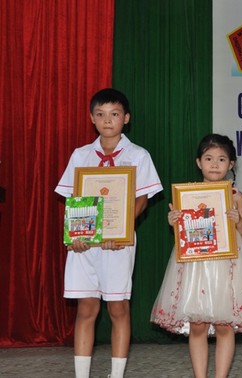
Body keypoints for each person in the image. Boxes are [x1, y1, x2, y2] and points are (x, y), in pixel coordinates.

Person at [54, 88, 163, 378]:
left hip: (119, 243)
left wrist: (123, 228)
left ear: (125, 118)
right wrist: (75, 235)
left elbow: (142, 199)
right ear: (92, 118)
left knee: (118, 308)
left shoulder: (138, 155)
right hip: (85, 245)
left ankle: (116, 375)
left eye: (114, 114)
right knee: (86, 308)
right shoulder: (81, 155)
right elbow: (72, 198)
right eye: (100, 115)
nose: (107, 120)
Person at [151, 133, 242, 378]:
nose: (214, 164)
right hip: (196, 266)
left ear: (231, 165)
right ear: (198, 162)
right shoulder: (187, 195)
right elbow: (183, 233)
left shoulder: (236, 196)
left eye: (222, 159)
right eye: (209, 158)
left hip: (228, 265)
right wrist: (174, 222)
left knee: (225, 326)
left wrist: (237, 221)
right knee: (198, 326)